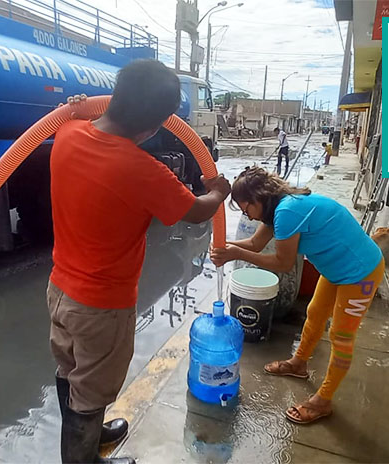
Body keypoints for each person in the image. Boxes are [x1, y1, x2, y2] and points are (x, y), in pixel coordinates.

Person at [48, 59, 231, 464]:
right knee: (91, 390)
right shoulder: (142, 170)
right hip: (101, 305)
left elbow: (84, 117)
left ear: (114, 95)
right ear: (153, 128)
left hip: (60, 290)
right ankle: (83, 458)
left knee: (70, 371)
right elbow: (198, 211)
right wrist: (220, 191)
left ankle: (89, 435)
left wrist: (79, 106)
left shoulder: (67, 132)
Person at [210, 167, 383, 425]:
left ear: (258, 198)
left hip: (361, 272)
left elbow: (283, 263)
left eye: (246, 208)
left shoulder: (287, 212)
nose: (247, 215)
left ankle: (323, 400)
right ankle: (299, 364)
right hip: (336, 270)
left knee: (341, 335)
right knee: (314, 315)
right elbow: (255, 245)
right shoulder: (277, 209)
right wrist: (224, 245)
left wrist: (235, 254)